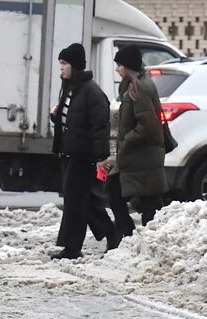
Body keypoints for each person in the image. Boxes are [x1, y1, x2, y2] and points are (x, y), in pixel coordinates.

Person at [50, 43, 115, 260]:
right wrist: (56, 116)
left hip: (82, 156)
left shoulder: (92, 92)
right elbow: (73, 119)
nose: (61, 67)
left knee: (75, 202)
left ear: (75, 65)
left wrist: (100, 157)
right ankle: (111, 233)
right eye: (60, 63)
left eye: (64, 63)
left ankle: (71, 247)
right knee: (83, 200)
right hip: (71, 153)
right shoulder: (73, 88)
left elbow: (100, 126)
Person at [104, 44, 166, 242]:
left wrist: (127, 140)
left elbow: (148, 125)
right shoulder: (133, 86)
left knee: (138, 199)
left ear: (128, 66)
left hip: (141, 157)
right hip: (137, 157)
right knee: (141, 200)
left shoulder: (139, 88)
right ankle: (132, 236)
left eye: (119, 65)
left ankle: (135, 237)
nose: (117, 69)